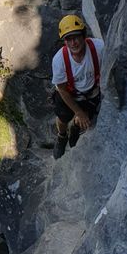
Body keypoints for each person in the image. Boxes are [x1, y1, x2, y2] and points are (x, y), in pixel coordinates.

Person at [51, 15, 104, 159]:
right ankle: (62, 136)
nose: (73, 43)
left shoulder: (99, 48)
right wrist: (78, 112)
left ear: (84, 36)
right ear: (64, 41)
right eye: (68, 39)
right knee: (62, 118)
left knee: (86, 119)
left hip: (91, 92)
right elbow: (61, 89)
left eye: (76, 37)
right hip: (68, 93)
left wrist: (81, 114)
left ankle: (75, 128)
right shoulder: (59, 60)